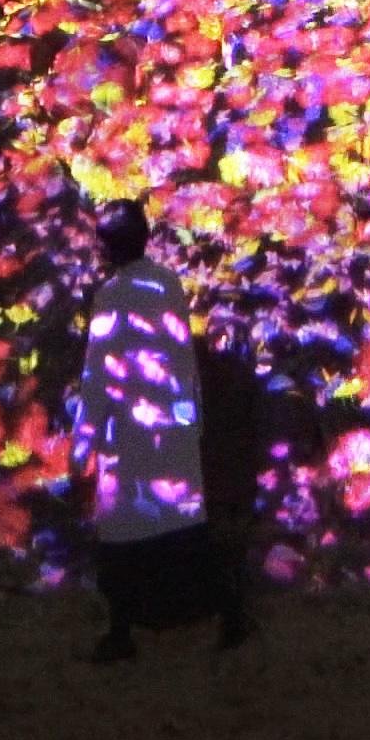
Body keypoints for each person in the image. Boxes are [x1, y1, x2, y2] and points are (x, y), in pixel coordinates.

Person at [74, 201, 250, 661]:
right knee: (182, 537)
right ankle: (226, 612)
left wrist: (85, 439)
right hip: (171, 429)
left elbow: (101, 371)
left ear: (108, 246)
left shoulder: (112, 296)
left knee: (122, 543)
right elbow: (181, 357)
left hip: (131, 434)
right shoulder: (168, 284)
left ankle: (121, 631)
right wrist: (191, 421)